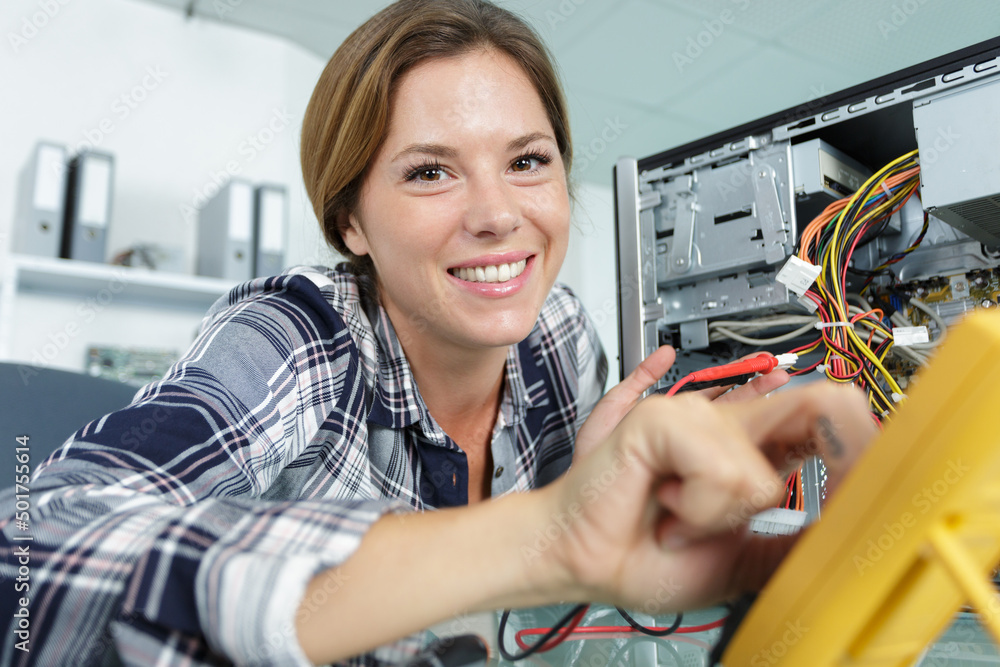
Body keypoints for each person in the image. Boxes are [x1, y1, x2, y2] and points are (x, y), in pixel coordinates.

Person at [0, 0, 875, 665]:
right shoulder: (295, 335)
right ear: (350, 221)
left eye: (527, 161)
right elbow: (30, 553)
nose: (497, 214)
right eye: (429, 173)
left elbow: (547, 598)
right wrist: (547, 530)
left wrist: (602, 476)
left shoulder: (562, 335)